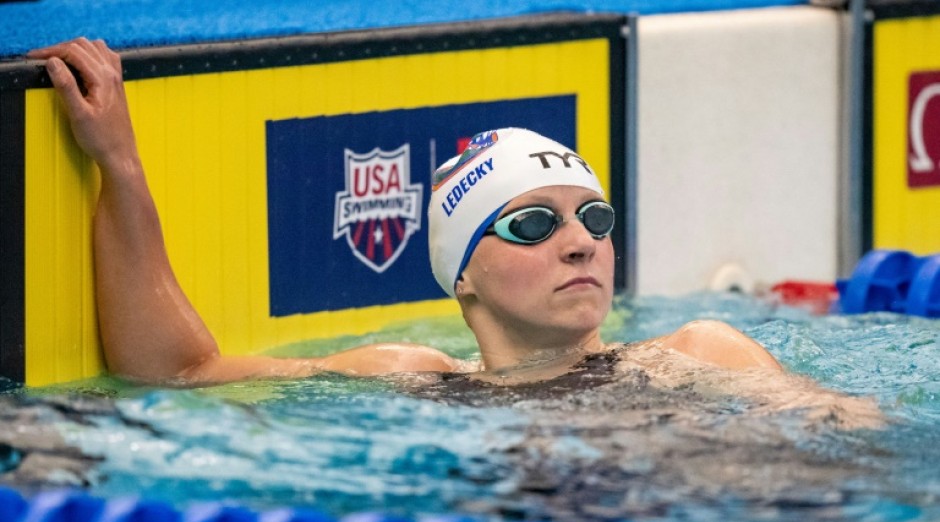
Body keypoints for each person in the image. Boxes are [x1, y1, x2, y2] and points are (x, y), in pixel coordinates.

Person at [26, 38, 785, 388]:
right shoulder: (416, 379)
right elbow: (177, 370)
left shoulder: (699, 354)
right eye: (532, 223)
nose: (581, 242)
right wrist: (118, 166)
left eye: (595, 217)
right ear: (465, 278)